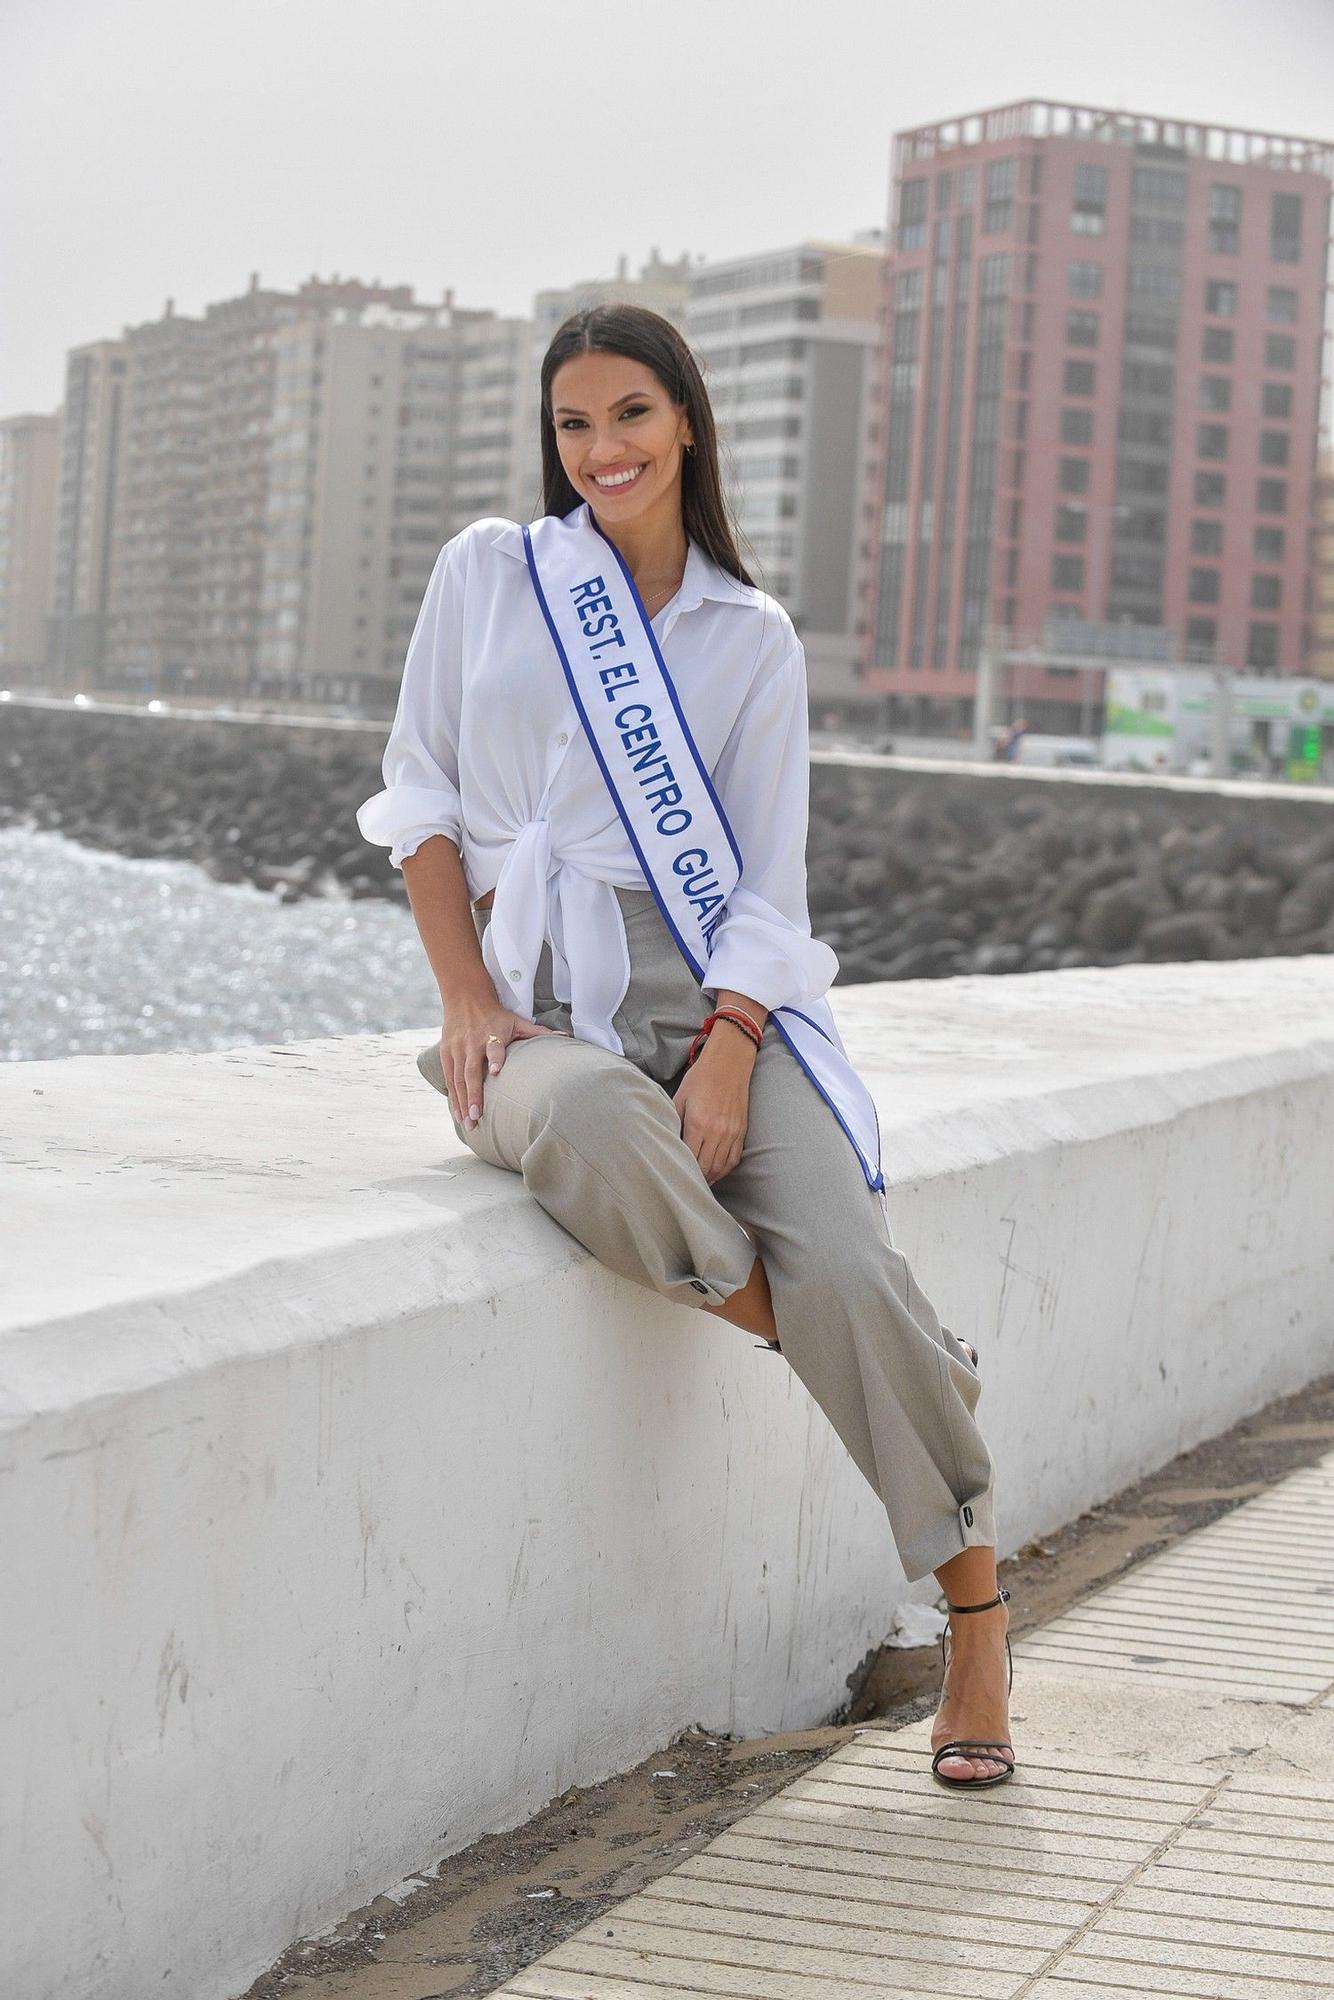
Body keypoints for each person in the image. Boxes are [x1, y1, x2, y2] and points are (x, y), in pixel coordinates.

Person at [356, 304, 1015, 1789]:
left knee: (847, 1257)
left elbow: (768, 892)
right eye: (574, 424)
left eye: (631, 417)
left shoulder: (747, 635)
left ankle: (972, 1626)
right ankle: (882, 1357)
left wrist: (726, 1048)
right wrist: (464, 1000)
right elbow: (422, 799)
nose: (602, 452)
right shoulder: (492, 573)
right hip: (530, 1002)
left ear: (688, 423)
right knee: (589, 1125)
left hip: (710, 989)